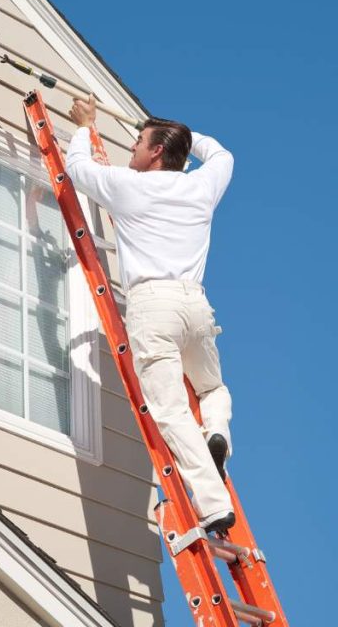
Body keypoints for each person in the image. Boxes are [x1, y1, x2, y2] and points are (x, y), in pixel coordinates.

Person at [66, 95, 236, 534]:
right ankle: (217, 431)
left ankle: (214, 504)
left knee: (171, 410)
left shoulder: (129, 186)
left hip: (153, 306)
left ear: (157, 151)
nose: (132, 148)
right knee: (212, 389)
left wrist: (85, 125)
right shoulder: (201, 188)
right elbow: (221, 154)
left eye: (140, 141)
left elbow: (79, 169)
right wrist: (183, 134)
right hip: (196, 306)